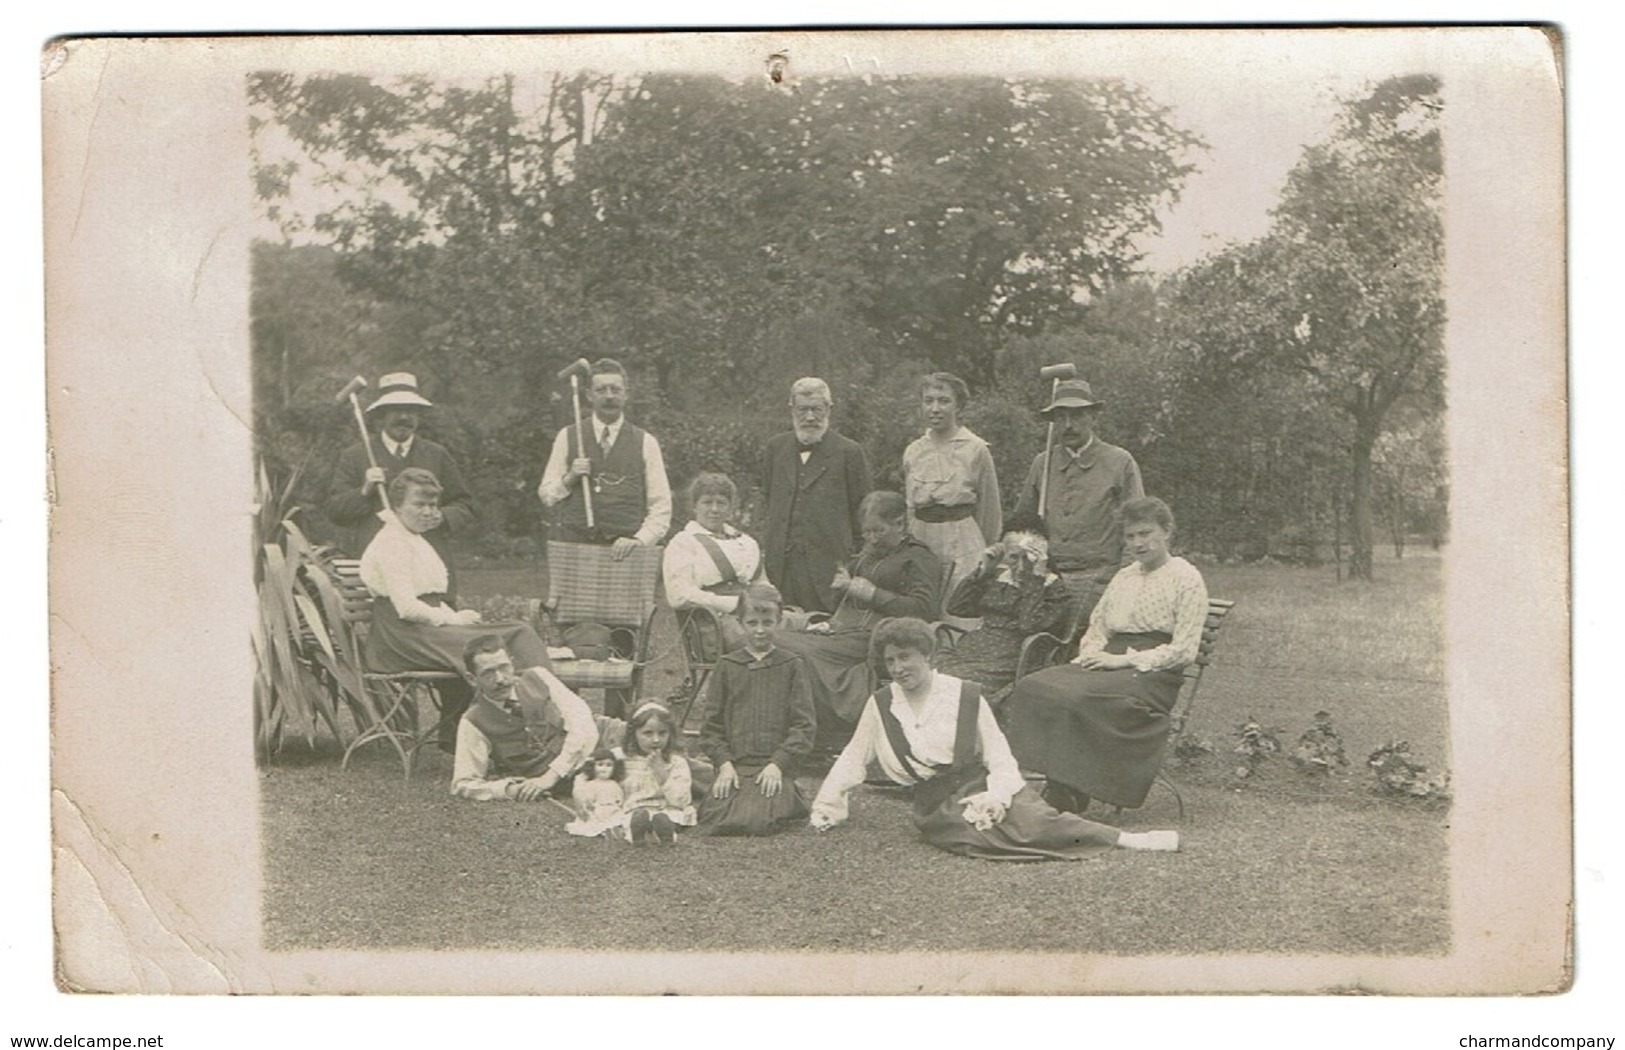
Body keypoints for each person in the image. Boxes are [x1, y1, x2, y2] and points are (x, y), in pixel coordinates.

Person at [808, 617, 1180, 858]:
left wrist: (997, 796)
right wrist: (827, 806)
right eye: (890, 662)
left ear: (928, 656)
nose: (898, 668)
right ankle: (1119, 839)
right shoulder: (882, 704)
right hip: (936, 807)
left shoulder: (965, 695)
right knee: (987, 838)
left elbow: (999, 756)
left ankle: (1131, 839)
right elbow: (853, 756)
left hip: (982, 784)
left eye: (905, 657)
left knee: (1035, 818)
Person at [1004, 497, 1210, 814]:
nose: (1137, 543)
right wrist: (1091, 654)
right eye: (1130, 536)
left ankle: (1068, 789)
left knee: (1078, 699)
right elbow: (1098, 626)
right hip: (1108, 662)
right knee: (1035, 686)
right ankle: (1064, 784)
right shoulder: (1124, 576)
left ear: (1166, 531)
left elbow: (1184, 650)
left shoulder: (1186, 578)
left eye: (1145, 533)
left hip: (1152, 674)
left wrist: (1124, 660)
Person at [359, 469, 552, 752]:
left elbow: (429, 598)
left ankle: (532, 721)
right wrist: (453, 618)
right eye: (419, 505)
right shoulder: (391, 543)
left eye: (433, 505)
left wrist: (456, 618)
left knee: (508, 634)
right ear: (396, 505)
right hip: (401, 637)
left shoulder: (413, 538)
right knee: (504, 639)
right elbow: (407, 608)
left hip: (425, 629)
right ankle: (533, 727)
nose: (428, 512)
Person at [775, 490, 942, 751]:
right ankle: (796, 732)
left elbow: (924, 610)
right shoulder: (867, 556)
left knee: (788, 648)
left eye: (879, 531)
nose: (872, 539)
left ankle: (823, 735)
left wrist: (873, 594)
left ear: (899, 523)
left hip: (878, 639)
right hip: (843, 632)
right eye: (867, 532)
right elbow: (843, 602)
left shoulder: (918, 558)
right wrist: (841, 588)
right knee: (776, 640)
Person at [324, 371, 476, 589]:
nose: (404, 417)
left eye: (411, 411)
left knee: (437, 620)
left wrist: (441, 516)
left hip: (429, 562)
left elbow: (465, 505)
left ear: (419, 416)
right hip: (377, 567)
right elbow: (335, 511)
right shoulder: (356, 456)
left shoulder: (437, 454)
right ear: (380, 415)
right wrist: (364, 491)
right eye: (396, 410)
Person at [1014, 377, 1144, 624]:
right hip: (1050, 578)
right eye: (1061, 417)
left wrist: (1124, 581)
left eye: (1077, 416)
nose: (1068, 425)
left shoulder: (1119, 462)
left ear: (1093, 417)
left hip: (1101, 580)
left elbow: (1137, 526)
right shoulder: (1043, 464)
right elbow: (1023, 525)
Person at [696, 583, 817, 836]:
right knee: (715, 816)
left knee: (758, 819)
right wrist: (724, 764)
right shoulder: (727, 666)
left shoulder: (792, 665)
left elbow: (803, 727)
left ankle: (786, 794)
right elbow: (710, 727)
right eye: (752, 623)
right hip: (736, 766)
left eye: (767, 622)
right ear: (740, 623)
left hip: (773, 767)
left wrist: (779, 764)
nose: (760, 631)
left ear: (779, 621)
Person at [935, 511, 1079, 702]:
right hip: (972, 649)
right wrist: (984, 571)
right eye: (1012, 557)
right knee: (931, 676)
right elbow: (957, 608)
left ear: (1041, 557)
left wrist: (1035, 578)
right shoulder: (1001, 578)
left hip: (1010, 657)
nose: (1019, 567)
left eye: (1028, 559)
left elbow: (1028, 626)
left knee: (954, 686)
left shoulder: (1052, 588)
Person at [538, 358, 672, 559]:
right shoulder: (568, 436)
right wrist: (570, 477)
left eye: (615, 389)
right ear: (589, 395)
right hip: (576, 549)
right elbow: (547, 495)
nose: (609, 396)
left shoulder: (646, 442)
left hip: (626, 552)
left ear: (626, 394)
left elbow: (661, 506)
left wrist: (639, 540)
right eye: (601, 390)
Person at [761, 377, 873, 613]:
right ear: (791, 409)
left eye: (817, 409)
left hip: (827, 567)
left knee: (823, 631)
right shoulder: (775, 448)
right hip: (781, 565)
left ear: (829, 409)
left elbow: (864, 512)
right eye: (803, 409)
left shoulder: (849, 452)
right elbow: (769, 500)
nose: (810, 417)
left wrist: (855, 563)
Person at [451, 635, 607, 801]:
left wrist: (550, 777)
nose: (500, 679)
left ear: (512, 663)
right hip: (583, 772)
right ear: (472, 679)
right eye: (488, 673)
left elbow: (582, 722)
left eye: (504, 668)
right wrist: (507, 789)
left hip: (601, 737)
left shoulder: (539, 676)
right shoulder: (473, 721)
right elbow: (463, 783)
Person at [901, 372, 1002, 630]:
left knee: (958, 615)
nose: (935, 408)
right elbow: (909, 507)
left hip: (962, 542)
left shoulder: (976, 449)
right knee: (920, 612)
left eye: (944, 401)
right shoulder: (913, 450)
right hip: (921, 540)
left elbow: (990, 511)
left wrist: (984, 554)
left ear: (959, 405)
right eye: (928, 401)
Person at [661, 471, 764, 659]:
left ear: (731, 507)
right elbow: (679, 595)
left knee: (812, 637)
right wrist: (733, 604)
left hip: (755, 620)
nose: (715, 509)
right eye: (707, 502)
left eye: (721, 503)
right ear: (695, 506)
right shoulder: (684, 542)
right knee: (791, 648)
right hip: (715, 627)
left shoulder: (746, 542)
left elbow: (763, 586)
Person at [619, 702, 695, 846]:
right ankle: (637, 834)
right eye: (648, 733)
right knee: (632, 820)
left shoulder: (676, 762)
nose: (656, 739)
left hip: (667, 809)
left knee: (667, 818)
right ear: (634, 733)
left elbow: (681, 801)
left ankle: (665, 834)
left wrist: (661, 772)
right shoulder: (620, 758)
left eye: (662, 733)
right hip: (633, 810)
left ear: (670, 734)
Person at [565, 750, 627, 839]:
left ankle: (616, 829)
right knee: (594, 822)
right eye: (600, 765)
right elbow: (588, 799)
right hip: (598, 809)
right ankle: (606, 831)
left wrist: (619, 803)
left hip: (613, 809)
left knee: (620, 817)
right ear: (592, 767)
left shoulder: (614, 784)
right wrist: (590, 806)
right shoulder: (591, 784)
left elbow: (620, 797)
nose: (604, 768)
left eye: (609, 765)